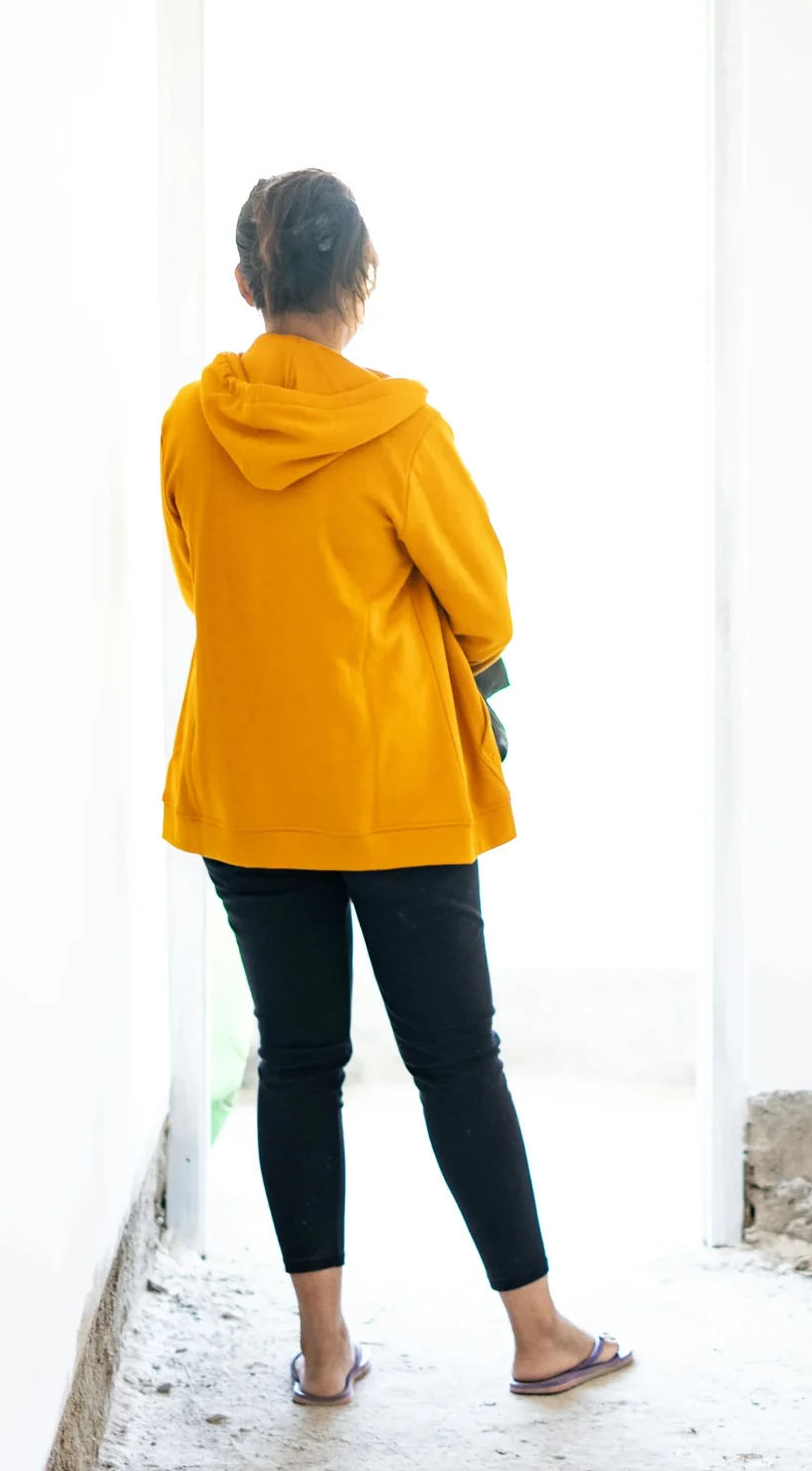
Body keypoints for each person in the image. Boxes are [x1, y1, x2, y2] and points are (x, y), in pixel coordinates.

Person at [158, 167, 631, 1404]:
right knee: (455, 1060)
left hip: (252, 787)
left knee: (297, 1061)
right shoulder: (403, 432)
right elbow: (482, 602)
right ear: (358, 283)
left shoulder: (189, 425)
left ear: (248, 284)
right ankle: (537, 1334)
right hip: (396, 791)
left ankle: (321, 1354)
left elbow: (204, 576)